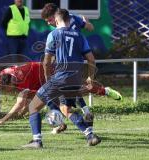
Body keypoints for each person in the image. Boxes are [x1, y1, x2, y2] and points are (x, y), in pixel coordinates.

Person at [22, 9, 101, 149]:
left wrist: (47, 79)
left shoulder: (53, 34)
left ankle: (37, 141)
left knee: (33, 106)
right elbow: (91, 59)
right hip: (76, 79)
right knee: (67, 109)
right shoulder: (79, 36)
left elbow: (47, 62)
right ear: (69, 20)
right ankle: (90, 135)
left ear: (57, 20)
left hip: (60, 78)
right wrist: (91, 78)